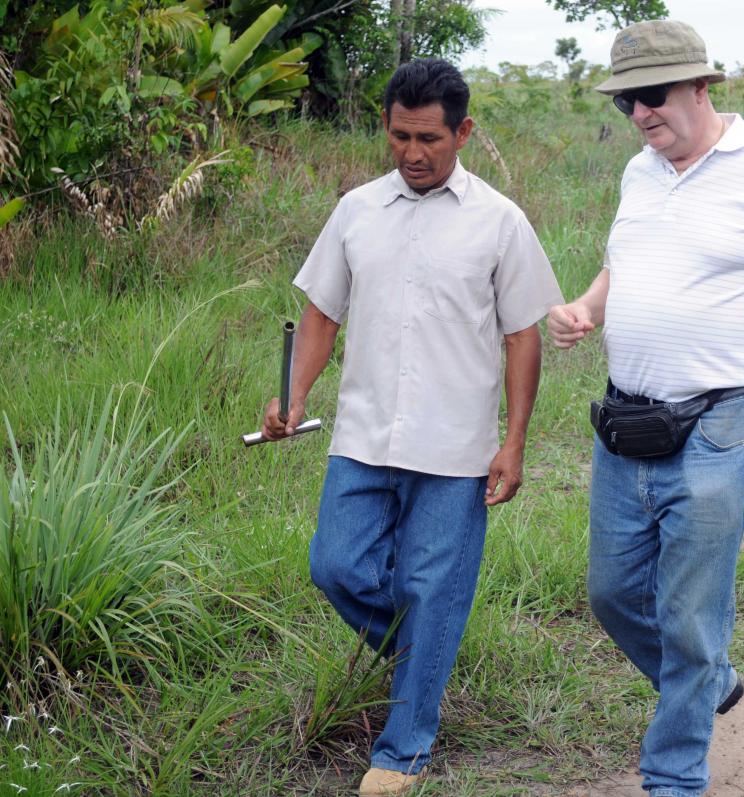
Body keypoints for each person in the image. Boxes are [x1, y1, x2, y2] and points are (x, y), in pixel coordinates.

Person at [547, 20, 744, 797]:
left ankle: (673, 775)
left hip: (722, 426)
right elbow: (624, 263)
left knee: (688, 613)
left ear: (700, 86)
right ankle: (707, 680)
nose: (641, 114)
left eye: (653, 96)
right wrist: (586, 305)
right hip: (626, 422)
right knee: (612, 595)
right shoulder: (639, 174)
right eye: (627, 103)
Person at [261, 58, 563, 796]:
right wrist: (294, 396)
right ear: (386, 128)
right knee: (334, 564)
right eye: (399, 136)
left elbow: (523, 335)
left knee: (432, 588)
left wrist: (514, 440)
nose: (413, 153)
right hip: (362, 435)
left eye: (429, 137)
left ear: (462, 131)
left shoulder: (500, 221)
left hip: (456, 447)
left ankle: (403, 749)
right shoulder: (357, 210)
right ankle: (421, 664)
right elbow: (322, 313)